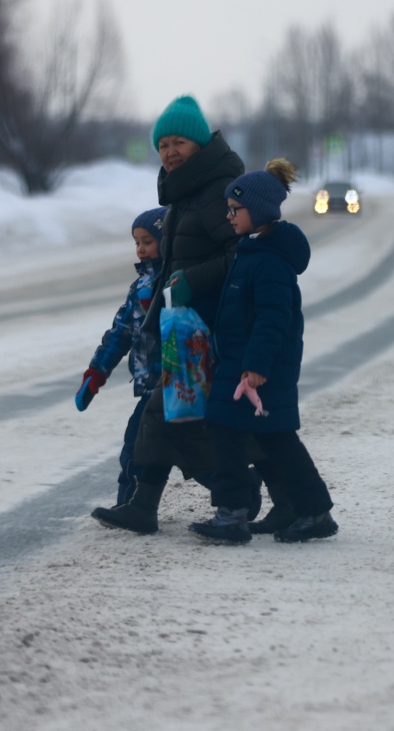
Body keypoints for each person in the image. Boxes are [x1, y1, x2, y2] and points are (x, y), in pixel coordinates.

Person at [92, 94, 259, 534]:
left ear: (200, 144)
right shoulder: (188, 191)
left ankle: (239, 491)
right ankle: (146, 506)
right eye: (162, 144)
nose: (169, 152)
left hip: (210, 324)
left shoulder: (214, 193)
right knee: (169, 413)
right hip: (183, 324)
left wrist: (193, 282)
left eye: (179, 141)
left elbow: (240, 254)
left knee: (172, 414)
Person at [188, 158, 338, 544]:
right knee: (271, 440)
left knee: (240, 432)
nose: (229, 215)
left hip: (256, 370)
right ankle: (312, 510)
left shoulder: (270, 263)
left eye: (235, 210)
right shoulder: (251, 252)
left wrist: (255, 366)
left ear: (259, 212)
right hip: (241, 365)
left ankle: (233, 513)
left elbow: (273, 319)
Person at [77, 207, 167, 507]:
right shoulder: (140, 285)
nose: (140, 249)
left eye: (148, 241)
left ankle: (129, 505)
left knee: (143, 446)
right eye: (137, 242)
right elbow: (120, 333)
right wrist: (96, 373)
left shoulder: (175, 283)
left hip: (173, 384)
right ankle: (127, 504)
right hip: (152, 385)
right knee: (142, 447)